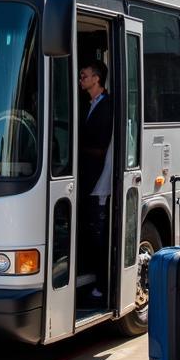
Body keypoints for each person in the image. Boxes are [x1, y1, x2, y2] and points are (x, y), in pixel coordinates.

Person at [77, 61, 113, 301]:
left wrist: (77, 150)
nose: (81, 78)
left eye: (85, 75)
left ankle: (102, 282)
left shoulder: (107, 106)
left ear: (97, 79)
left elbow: (101, 148)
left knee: (100, 236)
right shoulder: (88, 104)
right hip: (87, 177)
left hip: (99, 179)